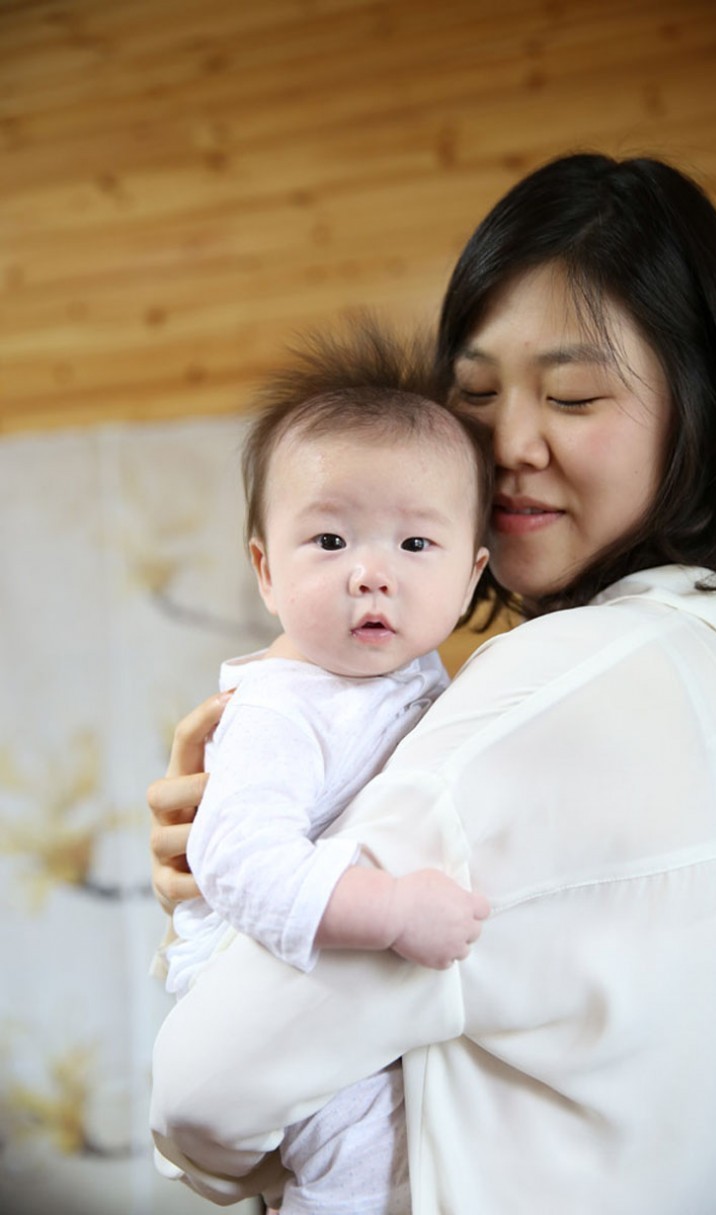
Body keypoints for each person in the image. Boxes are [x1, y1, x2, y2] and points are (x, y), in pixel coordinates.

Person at [149, 153, 716, 1215]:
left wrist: (257, 1165)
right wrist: (242, 861)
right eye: (475, 393)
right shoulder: (684, 664)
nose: (508, 444)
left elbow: (202, 1085)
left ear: (701, 407)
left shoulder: (566, 681)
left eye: (574, 395)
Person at [152, 325, 491, 1214]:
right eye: (331, 539)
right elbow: (241, 860)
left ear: (470, 578)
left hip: (342, 974)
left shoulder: (419, 676)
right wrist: (394, 910)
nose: (371, 574)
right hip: (258, 968)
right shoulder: (282, 707)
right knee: (363, 1163)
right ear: (265, 570)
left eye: (415, 545)